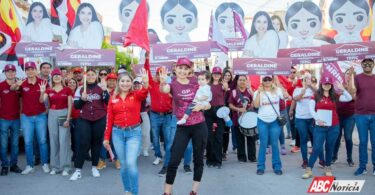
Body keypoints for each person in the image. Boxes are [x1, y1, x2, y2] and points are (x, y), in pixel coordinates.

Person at [159, 57, 210, 195]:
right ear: (175, 68)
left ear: (189, 70)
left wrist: (204, 105)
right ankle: (167, 192)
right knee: (174, 159)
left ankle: (194, 191)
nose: (182, 71)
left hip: (199, 125)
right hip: (182, 127)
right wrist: (163, 81)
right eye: (180, 68)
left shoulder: (196, 83)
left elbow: (208, 101)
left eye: (185, 68)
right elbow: (164, 89)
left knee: (198, 159)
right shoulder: (173, 84)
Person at [103, 69, 149, 195]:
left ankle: (134, 192)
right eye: (122, 81)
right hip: (117, 133)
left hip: (134, 133)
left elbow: (145, 92)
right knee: (123, 165)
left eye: (128, 81)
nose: (125, 83)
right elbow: (109, 119)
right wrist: (106, 138)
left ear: (131, 82)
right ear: (118, 83)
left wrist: (145, 83)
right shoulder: (113, 98)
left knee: (130, 163)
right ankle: (127, 190)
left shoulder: (136, 95)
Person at [302, 76, 353, 178]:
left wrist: (343, 89)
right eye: (325, 83)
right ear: (321, 84)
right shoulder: (316, 96)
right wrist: (317, 119)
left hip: (333, 126)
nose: (327, 85)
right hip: (320, 126)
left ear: (331, 85)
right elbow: (311, 109)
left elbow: (349, 98)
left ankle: (327, 167)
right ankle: (309, 169)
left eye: (329, 84)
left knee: (329, 147)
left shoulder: (335, 96)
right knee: (316, 148)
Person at [70, 68, 109, 181]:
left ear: (96, 76)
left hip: (99, 118)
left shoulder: (101, 88)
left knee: (96, 143)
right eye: (89, 75)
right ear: (85, 76)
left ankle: (94, 167)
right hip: (85, 119)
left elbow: (108, 102)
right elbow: (76, 106)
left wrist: (105, 90)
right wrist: (82, 99)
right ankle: (78, 170)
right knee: (83, 143)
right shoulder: (80, 88)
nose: (91, 76)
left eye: (93, 75)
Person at [12, 61, 50, 175]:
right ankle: (29, 165)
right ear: (25, 71)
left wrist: (43, 93)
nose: (30, 71)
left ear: (36, 70)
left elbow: (45, 100)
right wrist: (16, 85)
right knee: (28, 142)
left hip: (40, 116)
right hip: (26, 117)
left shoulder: (43, 82)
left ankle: (45, 163)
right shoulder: (22, 83)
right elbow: (12, 89)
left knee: (42, 141)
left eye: (32, 69)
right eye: (27, 69)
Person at [40, 68, 72, 176]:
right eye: (54, 76)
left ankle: (66, 167)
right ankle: (55, 166)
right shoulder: (49, 90)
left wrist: (68, 119)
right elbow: (42, 101)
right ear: (52, 78)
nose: (57, 77)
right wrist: (42, 92)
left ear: (61, 77)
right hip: (52, 114)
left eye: (58, 75)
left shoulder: (67, 89)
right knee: (53, 140)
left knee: (63, 140)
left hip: (64, 113)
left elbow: (70, 105)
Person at [253, 75, 287, 175]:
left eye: (269, 79)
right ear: (262, 81)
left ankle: (277, 166)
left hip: (274, 122)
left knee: (274, 144)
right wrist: (259, 92)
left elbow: (286, 96)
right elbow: (256, 105)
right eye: (265, 79)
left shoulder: (277, 90)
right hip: (262, 121)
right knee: (263, 144)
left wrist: (278, 83)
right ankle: (260, 166)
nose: (267, 81)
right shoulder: (257, 92)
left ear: (272, 80)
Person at [293, 74, 324, 168]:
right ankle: (305, 161)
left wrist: (310, 85)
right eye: (305, 80)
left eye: (308, 79)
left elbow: (320, 94)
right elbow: (295, 99)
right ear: (302, 81)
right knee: (303, 140)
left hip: (312, 118)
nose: (306, 81)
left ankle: (321, 160)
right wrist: (302, 92)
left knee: (317, 140)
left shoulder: (314, 90)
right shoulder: (297, 89)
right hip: (300, 119)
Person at [353, 58, 375, 176]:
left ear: (373, 65)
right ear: (361, 65)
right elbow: (352, 91)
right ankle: (362, 167)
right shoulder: (357, 77)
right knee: (363, 142)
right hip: (361, 115)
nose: (367, 65)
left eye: (369, 63)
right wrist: (351, 76)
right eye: (365, 63)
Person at [205, 67, 229, 168]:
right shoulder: (207, 86)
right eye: (215, 73)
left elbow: (226, 89)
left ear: (221, 75)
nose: (216, 75)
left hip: (220, 112)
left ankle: (218, 161)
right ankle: (210, 160)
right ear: (212, 74)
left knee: (219, 137)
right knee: (209, 137)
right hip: (209, 111)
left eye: (218, 74)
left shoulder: (223, 85)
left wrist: (225, 86)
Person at [0, 64, 22, 176]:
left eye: (12, 71)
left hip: (16, 119)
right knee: (3, 144)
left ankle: (13, 165)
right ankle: (4, 165)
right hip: (3, 119)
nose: (10, 73)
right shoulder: (1, 85)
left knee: (15, 144)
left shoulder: (19, 86)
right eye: (8, 71)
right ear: (5, 73)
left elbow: (23, 100)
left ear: (15, 73)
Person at [229, 75, 256, 163]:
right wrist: (239, 109)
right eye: (240, 80)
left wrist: (251, 104)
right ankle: (241, 157)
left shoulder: (249, 91)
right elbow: (230, 105)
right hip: (237, 120)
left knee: (251, 139)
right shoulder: (233, 92)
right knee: (240, 139)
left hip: (249, 120)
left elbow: (255, 103)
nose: (242, 82)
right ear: (237, 81)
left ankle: (252, 157)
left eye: (244, 80)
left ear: (246, 81)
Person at [333, 69, 356, 166]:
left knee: (348, 137)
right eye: (347, 74)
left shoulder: (355, 86)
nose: (348, 76)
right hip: (338, 115)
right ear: (344, 74)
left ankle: (349, 158)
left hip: (350, 116)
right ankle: (334, 157)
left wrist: (345, 90)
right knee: (337, 137)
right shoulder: (338, 84)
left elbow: (354, 98)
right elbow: (335, 96)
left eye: (351, 74)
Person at [98, 72, 121, 170]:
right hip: (104, 119)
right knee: (104, 140)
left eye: (114, 80)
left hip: (117, 119)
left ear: (116, 82)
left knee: (115, 140)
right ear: (107, 81)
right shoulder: (102, 91)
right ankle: (102, 160)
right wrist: (104, 91)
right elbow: (105, 101)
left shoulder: (119, 92)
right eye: (110, 80)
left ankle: (117, 160)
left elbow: (112, 102)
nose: (112, 82)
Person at [133, 77, 151, 157]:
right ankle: (137, 150)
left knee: (145, 133)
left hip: (143, 114)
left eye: (138, 84)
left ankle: (145, 149)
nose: (137, 85)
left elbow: (149, 103)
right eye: (135, 84)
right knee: (136, 134)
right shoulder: (131, 93)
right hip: (134, 115)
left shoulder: (145, 93)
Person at [67, 78, 80, 162]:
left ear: (76, 84)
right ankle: (72, 153)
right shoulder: (65, 92)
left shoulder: (79, 92)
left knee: (76, 137)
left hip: (77, 117)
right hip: (68, 118)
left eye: (73, 82)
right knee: (69, 138)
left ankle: (77, 154)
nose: (72, 84)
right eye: (70, 83)